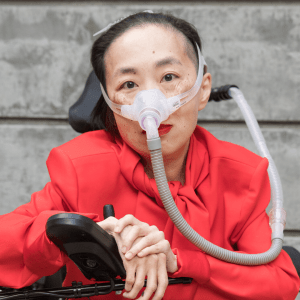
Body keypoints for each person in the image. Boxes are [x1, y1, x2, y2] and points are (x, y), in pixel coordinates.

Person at [0, 11, 299, 300]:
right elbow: (7, 242)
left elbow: (279, 283)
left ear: (203, 90)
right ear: (108, 102)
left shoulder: (242, 175)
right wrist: (87, 234)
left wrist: (180, 262)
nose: (150, 102)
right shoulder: (80, 168)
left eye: (169, 77)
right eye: (129, 84)